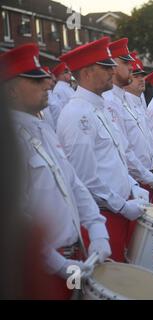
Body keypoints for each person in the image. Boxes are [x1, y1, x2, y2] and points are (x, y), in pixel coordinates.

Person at [0, 43, 111, 299]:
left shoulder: (42, 128)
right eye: (36, 81)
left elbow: (72, 183)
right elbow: (16, 216)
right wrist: (58, 264)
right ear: (12, 90)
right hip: (44, 268)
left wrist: (97, 229)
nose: (47, 84)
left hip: (76, 256)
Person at [57, 37, 148, 262]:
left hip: (117, 210)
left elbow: (116, 157)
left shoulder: (98, 107)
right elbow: (84, 178)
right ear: (87, 73)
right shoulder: (77, 114)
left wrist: (133, 186)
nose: (112, 71)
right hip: (102, 216)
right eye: (106, 67)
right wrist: (122, 206)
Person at [103, 39, 153, 199]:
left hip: (145, 175)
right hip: (132, 179)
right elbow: (123, 150)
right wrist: (149, 177)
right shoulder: (110, 102)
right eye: (126, 63)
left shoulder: (126, 99)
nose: (131, 67)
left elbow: (147, 140)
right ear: (112, 66)